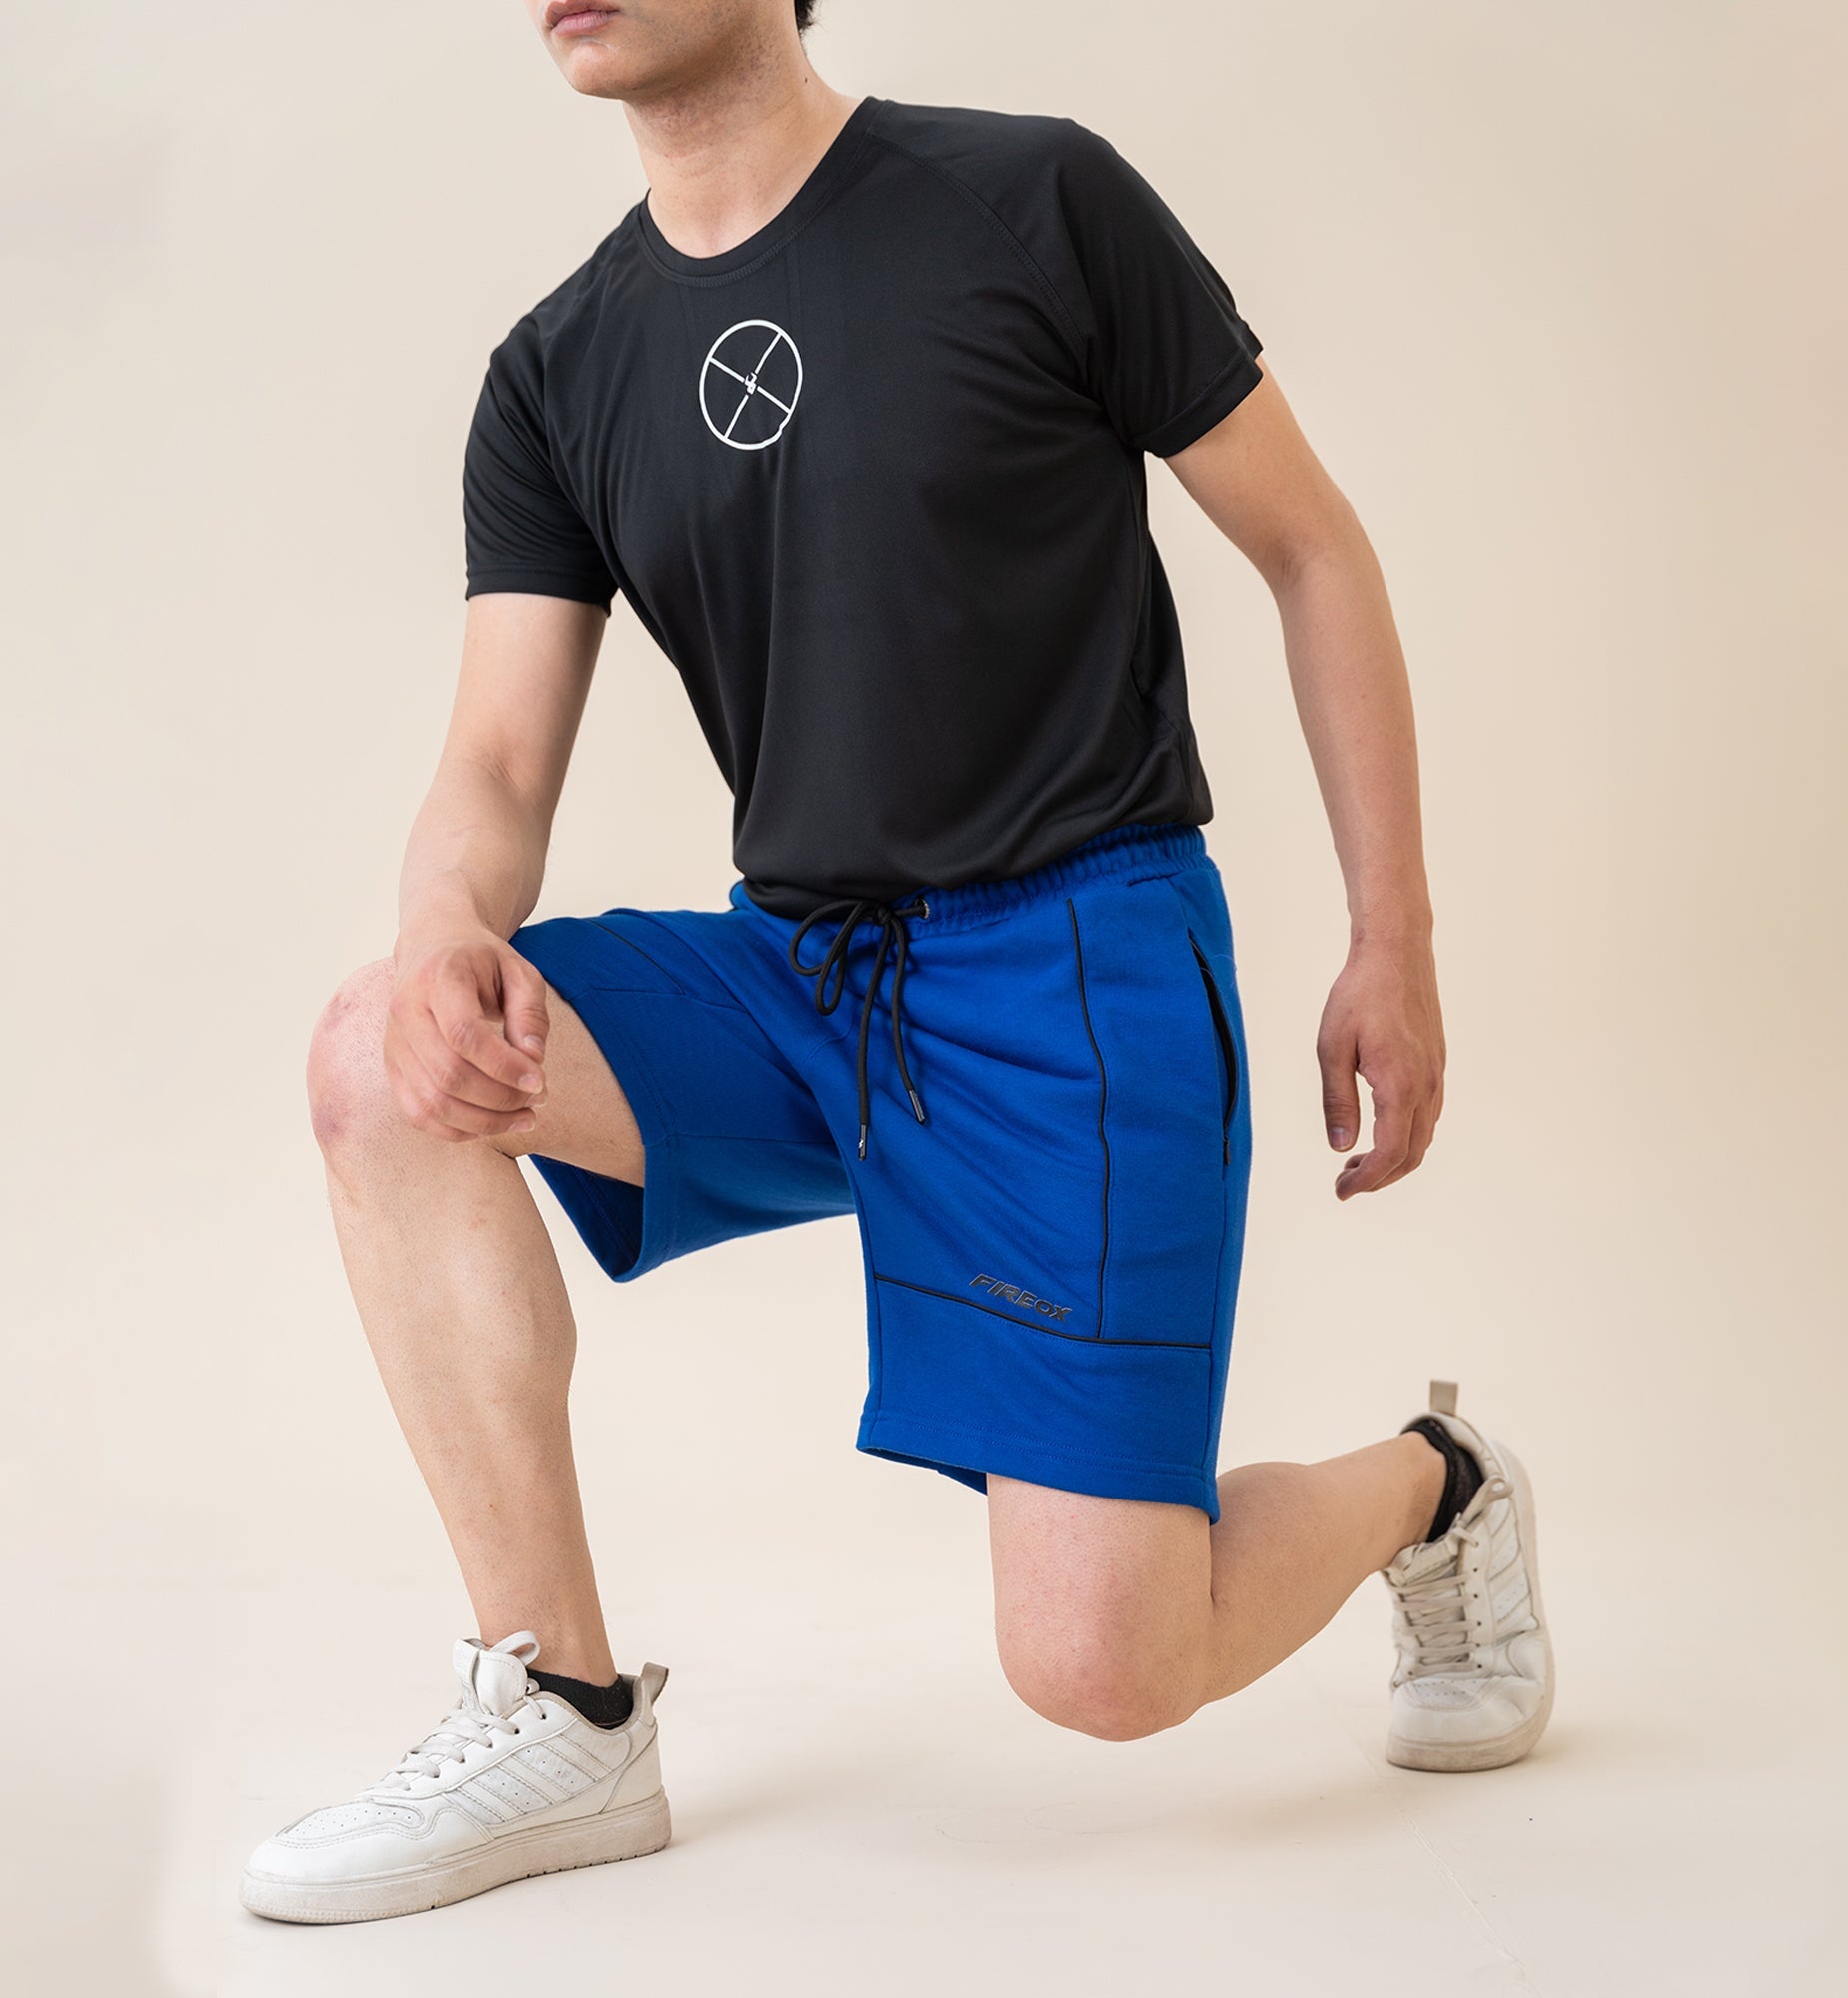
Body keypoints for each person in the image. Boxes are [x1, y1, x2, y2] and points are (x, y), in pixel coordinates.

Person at [240, 0, 1551, 1926]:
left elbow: (1312, 549)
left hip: (1071, 975)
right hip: (804, 978)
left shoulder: (1032, 200)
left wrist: (1394, 934)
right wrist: (444, 929)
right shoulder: (558, 368)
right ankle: (566, 1715)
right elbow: (499, 766)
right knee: (381, 1052)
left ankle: (1443, 1485)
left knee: (1106, 1666)